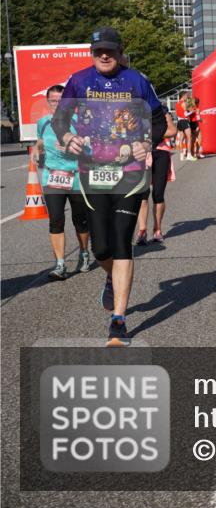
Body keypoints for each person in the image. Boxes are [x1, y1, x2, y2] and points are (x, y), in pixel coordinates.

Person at [52, 27, 165, 347]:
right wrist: (67, 137)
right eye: (99, 50)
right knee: (101, 248)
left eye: (110, 50)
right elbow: (61, 119)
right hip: (92, 173)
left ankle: (119, 321)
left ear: (120, 51)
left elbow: (159, 120)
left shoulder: (137, 81)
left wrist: (148, 143)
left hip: (130, 174)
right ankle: (109, 275)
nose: (104, 55)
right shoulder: (78, 81)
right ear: (92, 52)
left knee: (121, 242)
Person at [35, 85, 91, 279]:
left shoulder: (79, 123)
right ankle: (60, 264)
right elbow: (42, 140)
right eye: (53, 101)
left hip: (76, 178)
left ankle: (84, 252)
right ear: (48, 102)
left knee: (80, 221)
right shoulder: (42, 122)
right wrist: (37, 148)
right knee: (56, 220)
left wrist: (73, 148)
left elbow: (91, 152)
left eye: (61, 101)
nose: (57, 104)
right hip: (52, 178)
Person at [135, 111, 178, 245]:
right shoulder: (135, 110)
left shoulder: (162, 112)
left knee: (158, 194)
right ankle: (142, 231)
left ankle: (157, 229)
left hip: (160, 153)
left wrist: (149, 134)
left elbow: (172, 130)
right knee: (142, 194)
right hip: (141, 154)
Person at [175, 92, 191, 161]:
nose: (187, 97)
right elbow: (186, 114)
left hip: (179, 121)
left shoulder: (177, 103)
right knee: (189, 137)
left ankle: (181, 155)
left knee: (181, 139)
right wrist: (192, 111)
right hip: (184, 121)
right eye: (187, 96)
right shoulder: (183, 103)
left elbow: (177, 113)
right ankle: (189, 154)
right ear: (183, 96)